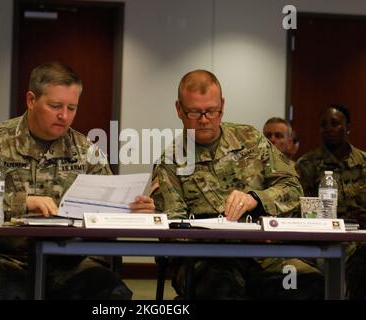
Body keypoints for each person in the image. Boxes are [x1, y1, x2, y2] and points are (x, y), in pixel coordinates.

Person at [0, 62, 155, 299]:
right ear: (31, 100)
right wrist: (22, 202)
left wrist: (133, 210)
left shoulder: (85, 149)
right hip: (3, 257)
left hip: (69, 259)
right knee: (0, 293)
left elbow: (106, 209)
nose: (64, 116)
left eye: (72, 108)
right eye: (55, 106)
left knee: (110, 293)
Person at [151, 69, 324, 299]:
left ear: (222, 106)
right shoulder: (170, 162)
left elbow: (292, 187)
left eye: (211, 111)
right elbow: (173, 231)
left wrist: (256, 199)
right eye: (194, 112)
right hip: (205, 259)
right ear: (179, 109)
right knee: (223, 290)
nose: (204, 120)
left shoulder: (251, 139)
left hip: (265, 255)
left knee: (309, 284)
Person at [295, 104, 366, 299]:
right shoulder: (307, 165)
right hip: (325, 239)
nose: (328, 129)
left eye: (334, 123)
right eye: (323, 125)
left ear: (348, 127)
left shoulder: (363, 162)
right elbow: (301, 210)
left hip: (361, 238)